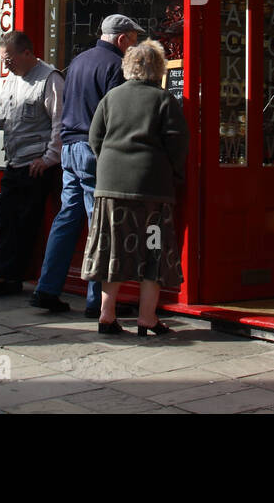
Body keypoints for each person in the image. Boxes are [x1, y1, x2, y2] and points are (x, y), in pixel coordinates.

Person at [29, 14, 143, 316]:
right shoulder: (116, 66)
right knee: (100, 224)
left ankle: (47, 288)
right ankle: (99, 302)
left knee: (67, 218)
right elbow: (118, 116)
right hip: (95, 151)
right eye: (132, 39)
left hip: (69, 149)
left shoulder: (78, 61)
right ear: (121, 39)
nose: (133, 45)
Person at [82, 39, 187, 336]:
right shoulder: (164, 100)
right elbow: (177, 142)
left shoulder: (111, 98)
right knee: (153, 250)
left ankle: (106, 315)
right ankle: (147, 318)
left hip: (111, 188)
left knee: (113, 249)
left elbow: (95, 138)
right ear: (158, 68)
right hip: (151, 190)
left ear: (128, 66)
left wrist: (109, 164)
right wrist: (173, 172)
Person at [0, 30, 63, 297]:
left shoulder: (49, 79)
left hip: (36, 166)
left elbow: (59, 123)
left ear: (27, 52)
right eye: (3, 59)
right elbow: (4, 117)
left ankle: (10, 276)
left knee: (24, 223)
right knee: (6, 220)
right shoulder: (11, 80)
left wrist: (48, 158)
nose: (6, 64)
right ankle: (3, 275)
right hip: (15, 161)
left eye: (9, 58)